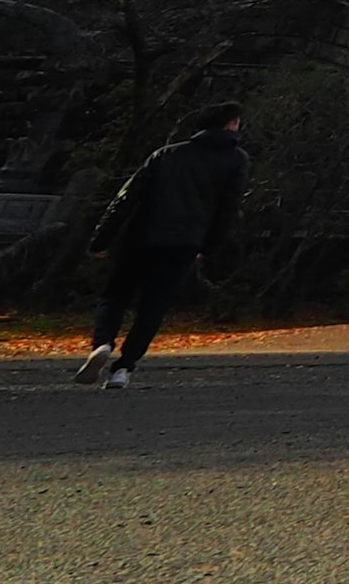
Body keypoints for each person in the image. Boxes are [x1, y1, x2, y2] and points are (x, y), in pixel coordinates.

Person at [76, 102, 248, 389]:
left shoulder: (167, 154)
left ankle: (102, 343)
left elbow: (126, 198)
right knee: (153, 306)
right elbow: (228, 208)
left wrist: (101, 238)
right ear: (231, 124)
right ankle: (123, 368)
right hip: (185, 241)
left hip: (142, 235)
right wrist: (211, 245)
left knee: (116, 295)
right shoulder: (236, 160)